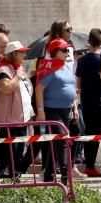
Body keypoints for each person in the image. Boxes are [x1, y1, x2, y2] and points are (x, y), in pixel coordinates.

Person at [35, 38, 77, 183]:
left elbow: (71, 87)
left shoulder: (65, 66)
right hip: (52, 110)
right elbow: (39, 89)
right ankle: (66, 175)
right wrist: (41, 111)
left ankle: (48, 174)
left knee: (55, 142)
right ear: (54, 52)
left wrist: (74, 107)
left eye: (68, 49)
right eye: (64, 50)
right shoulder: (49, 68)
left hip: (66, 110)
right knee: (62, 141)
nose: (67, 52)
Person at [0, 40, 33, 180]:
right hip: (7, 121)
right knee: (4, 154)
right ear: (13, 53)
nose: (25, 55)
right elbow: (6, 88)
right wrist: (18, 76)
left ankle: (15, 178)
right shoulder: (3, 69)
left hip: (20, 119)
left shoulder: (16, 68)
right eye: (22, 52)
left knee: (18, 152)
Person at [75, 29, 101, 177]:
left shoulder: (82, 60)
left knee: (91, 133)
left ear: (88, 42)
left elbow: (78, 83)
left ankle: (90, 165)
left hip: (88, 102)